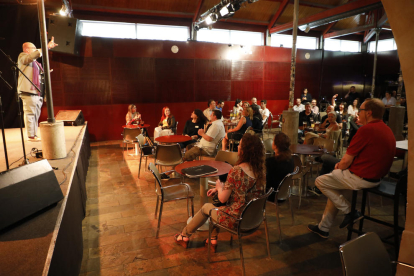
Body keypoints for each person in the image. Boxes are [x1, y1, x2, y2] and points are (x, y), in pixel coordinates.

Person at [308, 99, 396, 238]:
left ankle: (350, 212)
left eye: (360, 111)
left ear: (368, 113)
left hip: (361, 178)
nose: (357, 114)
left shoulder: (366, 130)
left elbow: (345, 162)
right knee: (336, 192)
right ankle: (323, 228)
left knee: (320, 181)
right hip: (376, 178)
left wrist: (338, 167)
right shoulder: (387, 129)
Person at [175, 133, 265, 250]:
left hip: (237, 220)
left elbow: (223, 198)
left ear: (244, 151)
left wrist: (218, 187)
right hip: (253, 218)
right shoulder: (260, 171)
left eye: (240, 145)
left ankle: (184, 235)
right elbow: (241, 191)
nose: (238, 147)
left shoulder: (236, 171)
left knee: (207, 207)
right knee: (217, 205)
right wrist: (219, 189)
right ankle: (212, 240)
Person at [17, 38, 58, 141]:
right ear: (27, 49)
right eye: (34, 48)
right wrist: (46, 47)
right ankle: (31, 135)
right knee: (30, 113)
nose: (36, 50)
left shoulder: (35, 63)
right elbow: (32, 57)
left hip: (37, 91)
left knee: (35, 114)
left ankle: (33, 134)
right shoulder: (23, 56)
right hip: (28, 91)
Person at [266, 133, 295, 202]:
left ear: (275, 146)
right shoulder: (291, 159)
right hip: (283, 194)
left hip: (271, 194)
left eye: (273, 141)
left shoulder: (271, 162)